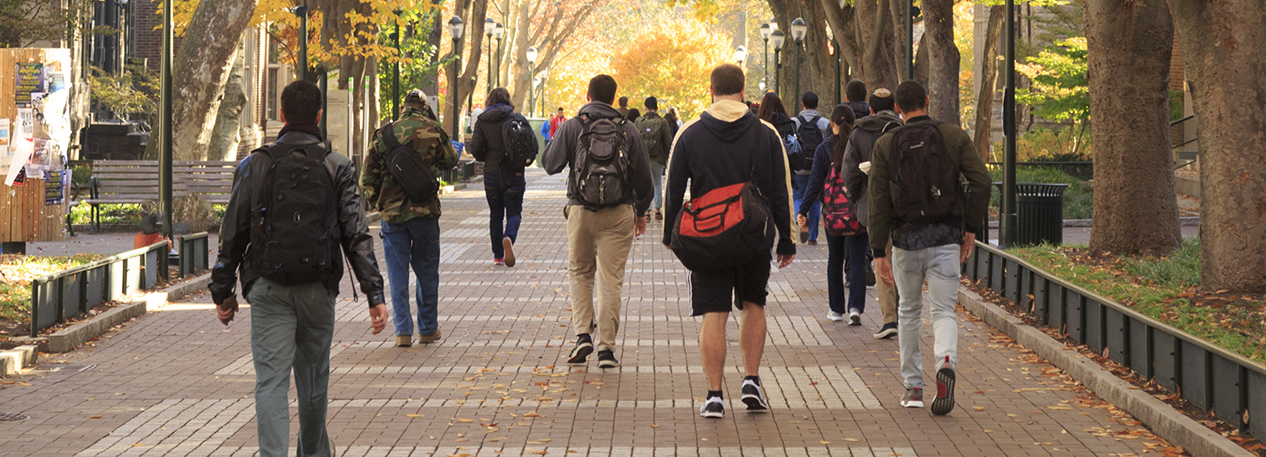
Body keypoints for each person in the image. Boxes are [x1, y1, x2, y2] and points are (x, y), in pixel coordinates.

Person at [210, 80, 388, 457]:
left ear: (282, 114)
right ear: (319, 116)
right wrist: (375, 293)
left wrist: (222, 291)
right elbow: (356, 233)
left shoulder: (255, 164)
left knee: (271, 383)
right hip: (318, 288)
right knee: (312, 385)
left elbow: (233, 231)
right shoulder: (337, 166)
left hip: (269, 287)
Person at [663, 64, 796, 419]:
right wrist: (786, 239)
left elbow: (673, 189)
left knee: (714, 313)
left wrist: (670, 237)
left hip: (708, 238)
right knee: (754, 304)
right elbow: (782, 189)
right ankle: (751, 380)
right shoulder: (765, 133)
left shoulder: (690, 133)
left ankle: (713, 395)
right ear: (742, 90)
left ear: (711, 90)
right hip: (753, 235)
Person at [869, 80, 991, 415]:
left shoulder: (886, 144)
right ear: (927, 100)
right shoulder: (951, 136)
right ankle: (946, 360)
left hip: (906, 241)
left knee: (908, 311)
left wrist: (879, 251)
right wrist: (969, 230)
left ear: (897, 108)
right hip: (945, 238)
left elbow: (878, 200)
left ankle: (913, 388)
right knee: (943, 310)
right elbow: (981, 181)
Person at [543, 74, 654, 369]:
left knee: (580, 272)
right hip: (619, 215)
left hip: (580, 210)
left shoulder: (573, 125)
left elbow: (550, 164)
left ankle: (583, 335)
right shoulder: (628, 129)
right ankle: (606, 349)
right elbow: (646, 180)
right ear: (614, 97)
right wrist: (641, 212)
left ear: (588, 93)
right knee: (610, 280)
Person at [362, 90, 461, 346]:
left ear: (404, 106)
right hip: (426, 212)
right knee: (427, 271)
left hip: (393, 217)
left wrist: (379, 203)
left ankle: (402, 331)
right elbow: (451, 161)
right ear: (425, 108)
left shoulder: (384, 134)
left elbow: (366, 179)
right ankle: (428, 329)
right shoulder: (434, 130)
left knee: (397, 273)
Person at [843, 88, 903, 339]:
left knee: (883, 258)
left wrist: (855, 199)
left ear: (870, 109)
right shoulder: (904, 129)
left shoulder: (858, 133)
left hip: (872, 205)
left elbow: (850, 172)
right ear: (895, 107)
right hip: (905, 205)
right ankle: (905, 313)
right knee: (904, 260)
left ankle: (890, 318)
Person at [797, 105, 861, 324]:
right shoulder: (860, 145)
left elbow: (814, 184)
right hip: (858, 212)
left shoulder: (824, 149)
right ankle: (855, 308)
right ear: (853, 124)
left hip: (834, 213)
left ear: (831, 123)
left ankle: (836, 310)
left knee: (835, 259)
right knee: (857, 259)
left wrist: (803, 210)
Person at [469, 88, 527, 267]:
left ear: (489, 101)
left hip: (492, 173)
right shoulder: (517, 118)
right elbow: (528, 145)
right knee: (514, 212)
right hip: (514, 172)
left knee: (495, 213)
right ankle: (508, 236)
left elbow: (476, 150)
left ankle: (498, 256)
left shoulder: (482, 121)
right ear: (508, 100)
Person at [791, 92, 831, 245]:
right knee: (815, 200)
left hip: (799, 166)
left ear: (802, 104)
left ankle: (800, 220)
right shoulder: (824, 123)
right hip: (817, 167)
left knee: (798, 196)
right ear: (817, 104)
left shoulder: (794, 122)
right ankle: (813, 237)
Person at [635, 96, 674, 221]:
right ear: (657, 108)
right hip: (658, 158)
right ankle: (657, 211)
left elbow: (635, 141)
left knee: (645, 184)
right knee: (657, 183)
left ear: (645, 108)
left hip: (643, 158)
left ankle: (646, 211)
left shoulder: (638, 121)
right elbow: (668, 141)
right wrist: (669, 157)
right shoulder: (662, 122)